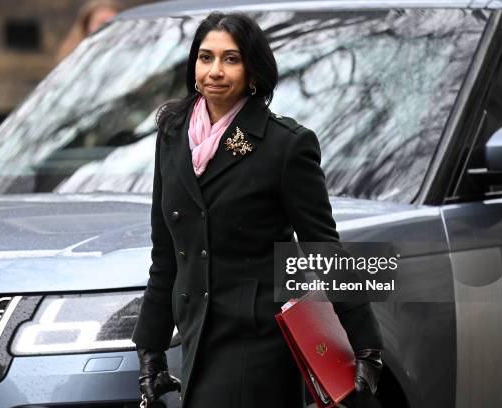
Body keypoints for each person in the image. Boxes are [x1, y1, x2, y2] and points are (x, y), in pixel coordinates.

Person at [132, 12, 384, 408]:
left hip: (256, 339)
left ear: (253, 72)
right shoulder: (172, 132)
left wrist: (367, 347)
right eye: (205, 57)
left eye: (230, 59)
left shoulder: (285, 145)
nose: (215, 70)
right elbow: (166, 252)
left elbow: (323, 246)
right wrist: (150, 350)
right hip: (195, 332)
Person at [55, 0, 122, 63]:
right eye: (102, 23)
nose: (108, 28)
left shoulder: (126, 51)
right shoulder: (72, 57)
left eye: (113, 23)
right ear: (86, 25)